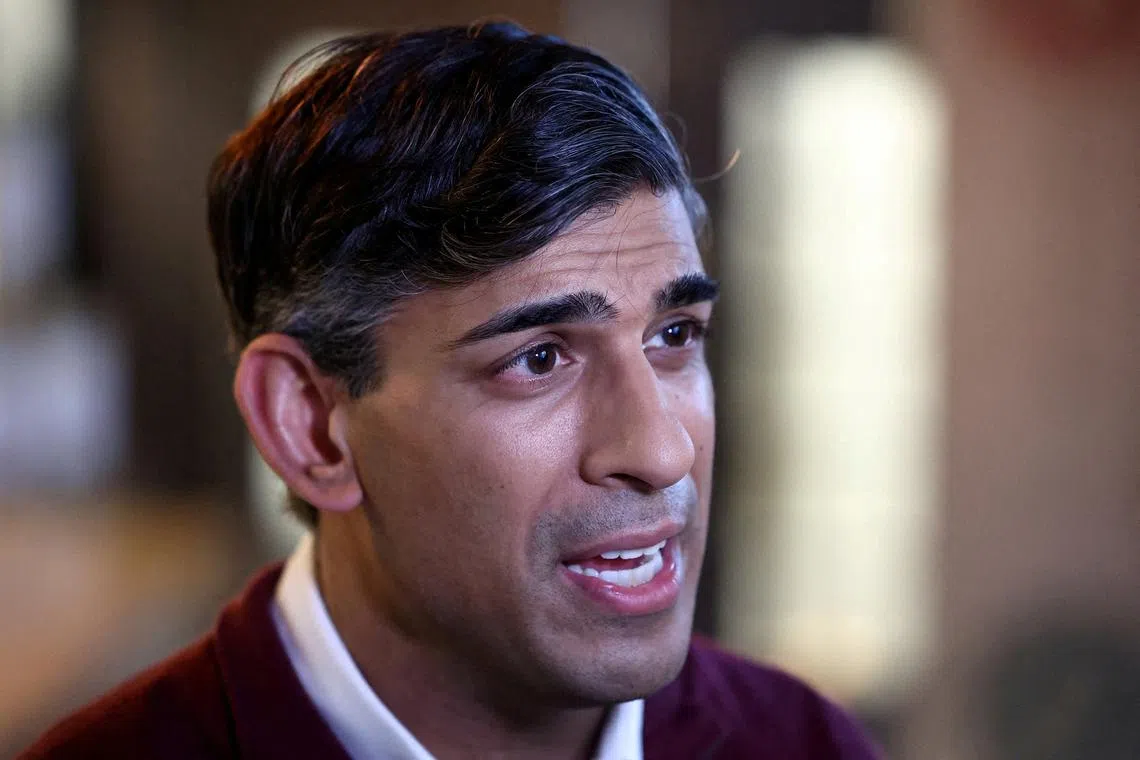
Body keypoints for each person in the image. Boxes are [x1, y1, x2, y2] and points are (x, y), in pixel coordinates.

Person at [21, 22, 880, 760]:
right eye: (540, 359)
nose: (661, 451)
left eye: (672, 336)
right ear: (311, 426)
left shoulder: (803, 743)